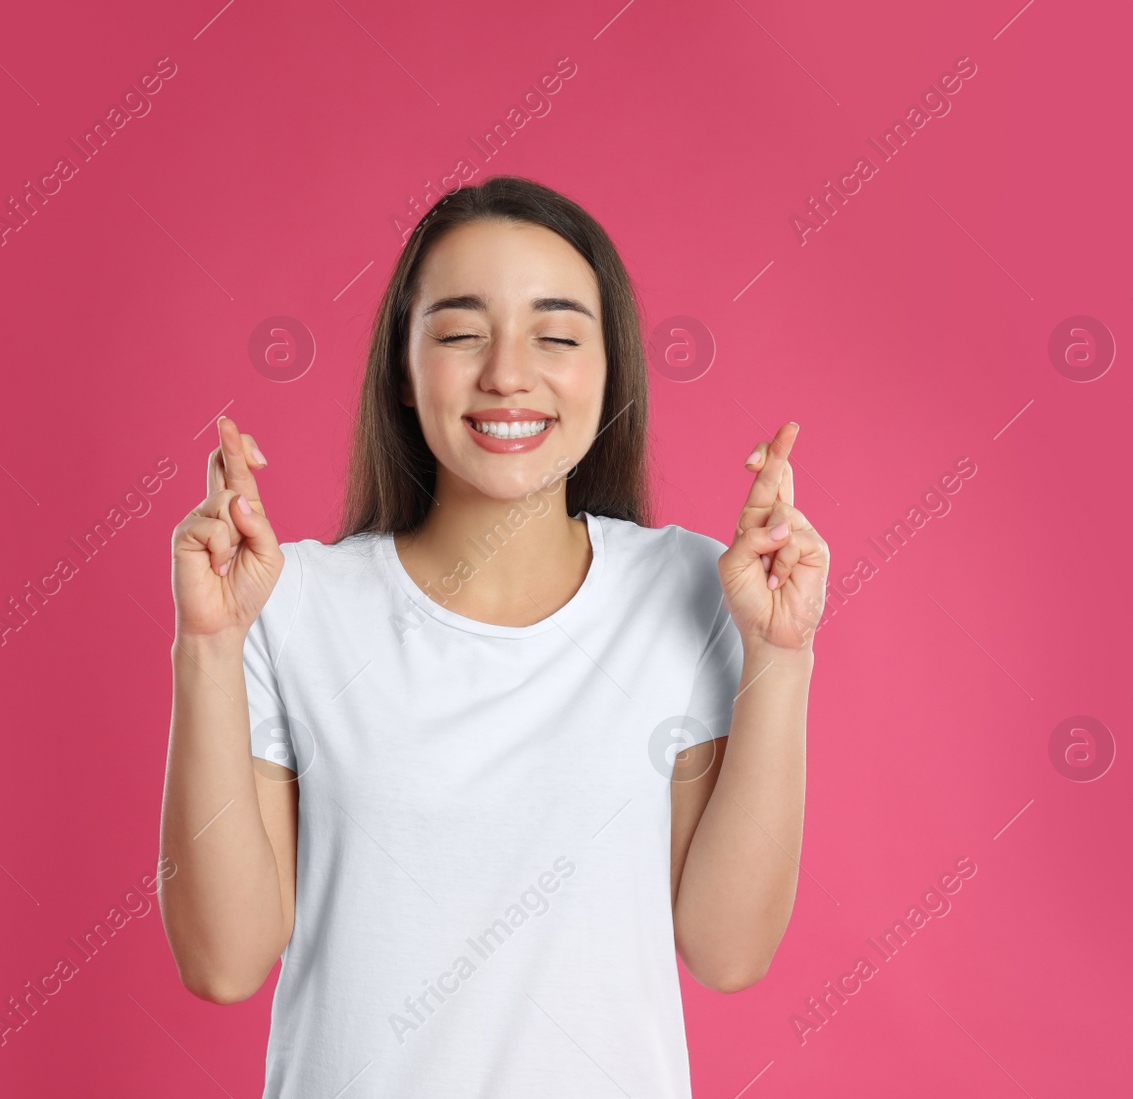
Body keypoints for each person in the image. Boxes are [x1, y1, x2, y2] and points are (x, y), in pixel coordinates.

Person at [158, 175, 828, 1098]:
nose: (508, 372)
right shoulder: (292, 601)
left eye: (555, 335)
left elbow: (728, 949)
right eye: (462, 332)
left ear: (608, 369)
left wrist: (779, 658)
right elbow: (223, 963)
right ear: (402, 366)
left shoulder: (686, 587)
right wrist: (208, 642)